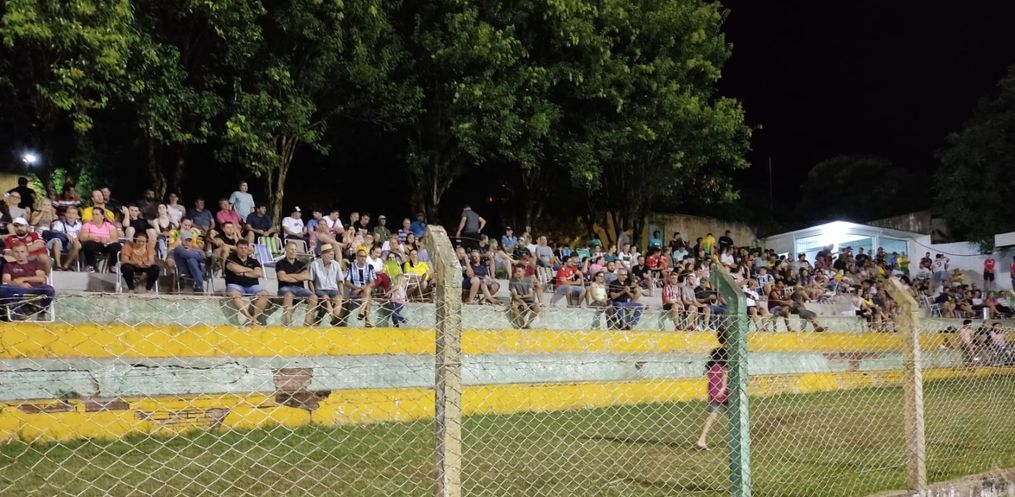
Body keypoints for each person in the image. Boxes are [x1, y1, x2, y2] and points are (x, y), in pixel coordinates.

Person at [0, 242, 55, 318]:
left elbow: (41, 278)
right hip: (17, 289)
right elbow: (5, 281)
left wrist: (23, 279)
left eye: (22, 252)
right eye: (16, 252)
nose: (19, 254)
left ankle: (42, 313)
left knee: (49, 289)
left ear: (27, 253)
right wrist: (19, 285)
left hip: (34, 288)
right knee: (2, 289)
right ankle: (19, 313)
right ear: (12, 253)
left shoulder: (35, 264)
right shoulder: (8, 265)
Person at [223, 240, 269, 326]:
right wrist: (250, 270)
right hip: (235, 285)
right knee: (234, 294)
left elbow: (259, 273)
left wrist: (243, 273)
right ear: (237, 249)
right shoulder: (230, 258)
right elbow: (234, 268)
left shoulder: (254, 261)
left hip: (252, 285)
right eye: (241, 248)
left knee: (264, 294)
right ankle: (248, 317)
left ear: (248, 249)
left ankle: (254, 318)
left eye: (245, 248)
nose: (243, 250)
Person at [276, 241, 318, 327]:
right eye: (291, 249)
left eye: (295, 249)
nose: (293, 251)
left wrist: (289, 276)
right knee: (289, 295)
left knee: (314, 297)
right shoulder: (280, 263)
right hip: (285, 288)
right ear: (286, 250)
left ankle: (307, 322)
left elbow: (306, 276)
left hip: (299, 289)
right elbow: (282, 277)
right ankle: (288, 322)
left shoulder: (301, 264)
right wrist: (298, 276)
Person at [696, 346, 728, 450]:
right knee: (733, 415)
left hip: (714, 391)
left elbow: (707, 374)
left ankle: (702, 439)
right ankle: (702, 439)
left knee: (713, 415)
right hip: (722, 393)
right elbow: (724, 377)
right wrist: (723, 388)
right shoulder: (723, 366)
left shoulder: (712, 365)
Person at [309, 245, 345, 325]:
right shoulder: (315, 264)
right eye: (330, 254)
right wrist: (313, 293)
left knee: (339, 298)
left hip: (333, 290)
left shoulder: (336, 264)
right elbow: (310, 280)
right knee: (326, 298)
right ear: (323, 255)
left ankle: (336, 319)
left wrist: (341, 294)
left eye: (333, 254)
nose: (332, 256)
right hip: (320, 289)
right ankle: (334, 318)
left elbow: (340, 281)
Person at [79, 208, 122, 272]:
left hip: (106, 244)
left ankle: (113, 266)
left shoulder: (109, 225)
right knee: (89, 245)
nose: (94, 216)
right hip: (94, 243)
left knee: (116, 246)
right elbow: (82, 238)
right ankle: (91, 265)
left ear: (102, 216)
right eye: (93, 214)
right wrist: (92, 238)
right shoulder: (87, 225)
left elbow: (115, 239)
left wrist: (107, 240)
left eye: (97, 214)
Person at [345, 249, 376, 327]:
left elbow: (372, 282)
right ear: (356, 257)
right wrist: (357, 288)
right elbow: (347, 282)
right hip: (354, 290)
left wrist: (363, 288)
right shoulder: (351, 266)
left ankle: (362, 310)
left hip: (365, 290)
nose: (363, 258)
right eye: (361, 256)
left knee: (367, 290)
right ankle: (367, 320)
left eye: (365, 256)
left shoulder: (370, 266)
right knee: (368, 297)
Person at [49, 206, 83, 270]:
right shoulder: (60, 222)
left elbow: (81, 234)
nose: (71, 215)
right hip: (61, 241)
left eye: (73, 213)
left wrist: (77, 238)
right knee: (56, 241)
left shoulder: (79, 224)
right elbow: (54, 232)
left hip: (72, 244)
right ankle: (58, 265)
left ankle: (66, 265)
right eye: (69, 213)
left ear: (77, 216)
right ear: (65, 214)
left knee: (77, 244)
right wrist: (65, 234)